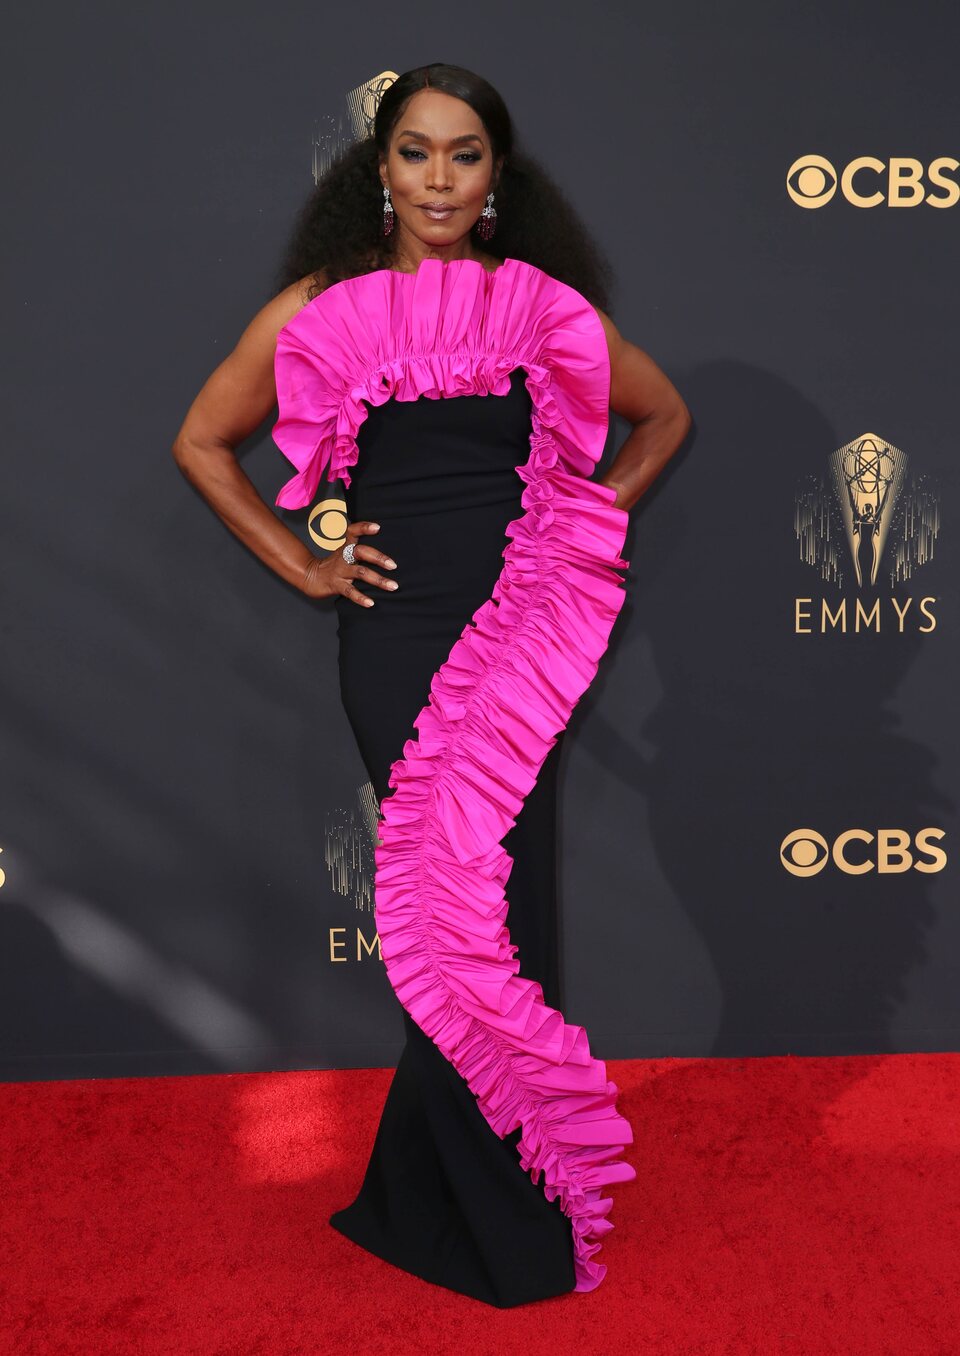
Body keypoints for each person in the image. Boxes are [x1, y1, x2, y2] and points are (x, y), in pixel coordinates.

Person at [172, 62, 691, 1307]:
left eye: (465, 155)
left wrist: (578, 530)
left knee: (503, 917)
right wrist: (304, 563)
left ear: (496, 176)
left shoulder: (542, 306)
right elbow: (203, 440)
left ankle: (455, 1189)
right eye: (417, 153)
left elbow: (661, 417)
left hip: (525, 635)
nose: (440, 178)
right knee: (445, 909)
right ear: (381, 169)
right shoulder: (324, 305)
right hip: (399, 639)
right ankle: (475, 1201)